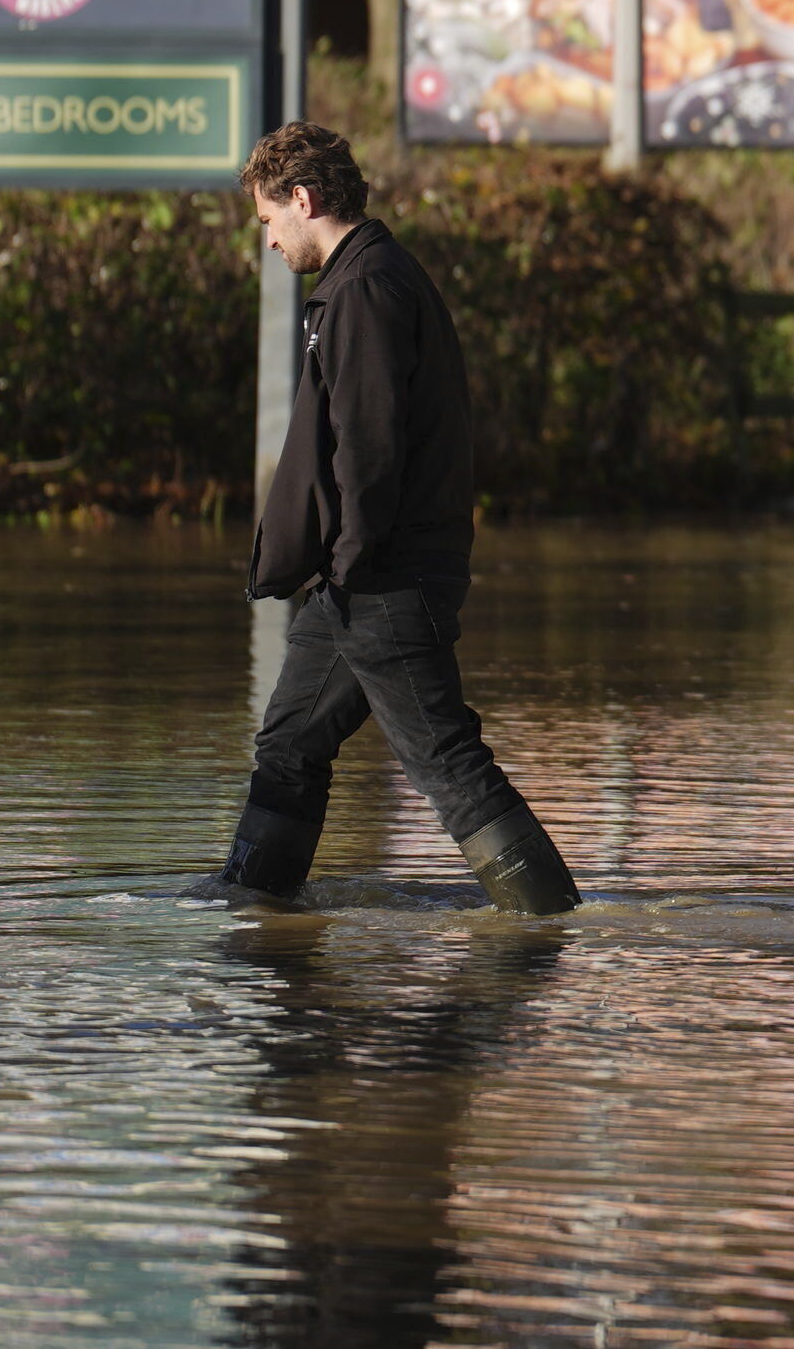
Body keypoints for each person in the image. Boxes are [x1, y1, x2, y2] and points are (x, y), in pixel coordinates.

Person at [215, 122, 581, 915]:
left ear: (303, 199)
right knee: (289, 742)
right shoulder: (364, 281)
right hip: (358, 579)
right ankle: (253, 909)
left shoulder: (368, 289)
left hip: (383, 576)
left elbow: (369, 448)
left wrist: (348, 563)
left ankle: (547, 921)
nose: (269, 241)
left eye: (269, 220)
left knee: (444, 756)